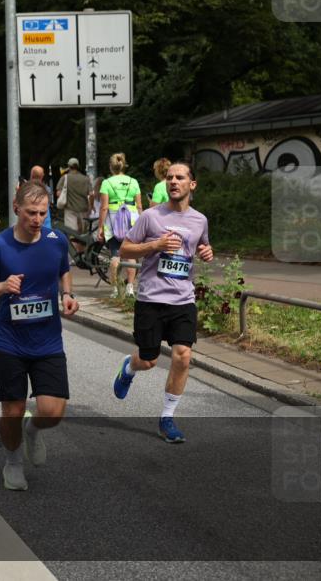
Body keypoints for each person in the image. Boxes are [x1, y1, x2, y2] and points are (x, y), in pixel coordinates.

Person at [0, 181, 79, 491]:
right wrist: (3, 286)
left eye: (43, 213)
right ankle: (13, 461)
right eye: (31, 212)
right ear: (17, 209)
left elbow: (63, 268)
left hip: (48, 341)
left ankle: (32, 430)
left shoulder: (56, 240)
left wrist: (67, 294)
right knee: (12, 410)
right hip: (9, 342)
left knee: (52, 412)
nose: (37, 219)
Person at [112, 161, 213, 443]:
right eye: (169, 177)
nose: (173, 182)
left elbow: (202, 245)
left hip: (183, 299)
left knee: (183, 355)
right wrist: (154, 246)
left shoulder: (199, 220)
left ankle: (167, 417)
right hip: (151, 299)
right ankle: (128, 368)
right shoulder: (150, 216)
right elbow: (125, 248)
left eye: (180, 177)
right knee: (149, 360)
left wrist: (207, 252)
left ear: (191, 185)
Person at [97, 152, 142, 296]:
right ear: (124, 165)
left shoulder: (106, 183)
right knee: (131, 255)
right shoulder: (133, 182)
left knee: (115, 254)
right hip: (132, 220)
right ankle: (130, 288)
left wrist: (100, 227)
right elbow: (139, 205)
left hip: (113, 220)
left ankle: (115, 289)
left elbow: (104, 207)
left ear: (111, 167)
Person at [57, 158, 92, 253]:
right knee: (82, 234)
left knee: (72, 234)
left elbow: (59, 193)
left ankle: (77, 255)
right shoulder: (85, 179)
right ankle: (82, 253)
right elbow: (91, 194)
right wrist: (90, 207)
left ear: (69, 166)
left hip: (70, 210)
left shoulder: (65, 178)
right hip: (84, 210)